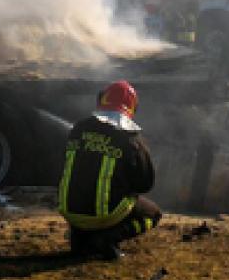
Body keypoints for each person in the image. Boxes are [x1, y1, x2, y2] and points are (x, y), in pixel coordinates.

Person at [57, 80, 162, 259]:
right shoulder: (131, 139)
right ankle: (108, 238)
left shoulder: (79, 128)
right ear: (132, 108)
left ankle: (80, 236)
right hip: (104, 216)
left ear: (102, 100)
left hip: (69, 212)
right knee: (152, 214)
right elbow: (145, 184)